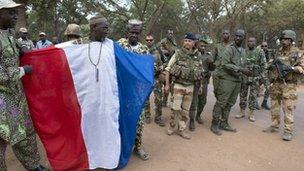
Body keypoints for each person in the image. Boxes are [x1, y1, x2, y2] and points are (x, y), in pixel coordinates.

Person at [0, 1, 49, 170]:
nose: (16, 16)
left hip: (16, 95)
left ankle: (33, 166)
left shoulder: (9, 34)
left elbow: (16, 54)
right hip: (2, 99)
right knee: (2, 137)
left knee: (25, 133)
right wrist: (23, 70)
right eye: (11, 13)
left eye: (16, 13)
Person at [263, 30, 304, 141]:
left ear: (291, 40)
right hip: (276, 83)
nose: (283, 41)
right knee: (274, 105)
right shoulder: (278, 52)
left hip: (289, 85)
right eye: (282, 39)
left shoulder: (298, 53)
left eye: (285, 39)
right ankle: (274, 125)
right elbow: (271, 62)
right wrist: (270, 66)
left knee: (288, 108)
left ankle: (288, 131)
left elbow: (302, 68)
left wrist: (291, 68)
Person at [118, 19, 150, 160]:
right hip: (122, 90)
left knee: (138, 119)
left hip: (138, 92)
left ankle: (137, 146)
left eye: (137, 33)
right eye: (131, 32)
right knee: (122, 119)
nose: (134, 35)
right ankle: (120, 146)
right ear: (127, 32)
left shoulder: (144, 49)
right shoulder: (119, 46)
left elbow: (148, 69)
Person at [164, 32, 203, 139]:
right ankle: (172, 126)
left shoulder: (198, 55)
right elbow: (167, 69)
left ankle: (182, 129)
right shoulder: (178, 53)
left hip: (190, 87)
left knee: (185, 111)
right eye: (185, 40)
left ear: (194, 42)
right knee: (175, 109)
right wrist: (167, 85)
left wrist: (200, 87)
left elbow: (200, 72)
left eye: (189, 41)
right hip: (178, 85)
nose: (187, 43)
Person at [210, 29, 250, 135]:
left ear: (243, 38)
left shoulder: (243, 51)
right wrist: (241, 69)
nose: (237, 38)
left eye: (240, 36)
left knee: (230, 103)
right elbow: (224, 64)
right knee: (221, 102)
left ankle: (224, 123)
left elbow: (243, 65)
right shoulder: (230, 49)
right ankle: (214, 124)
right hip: (227, 79)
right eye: (236, 36)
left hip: (237, 81)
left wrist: (246, 71)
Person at [235, 37, 267, 122]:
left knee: (253, 96)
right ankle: (242, 111)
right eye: (249, 41)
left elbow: (264, 65)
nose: (250, 43)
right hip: (244, 77)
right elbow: (240, 63)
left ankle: (251, 113)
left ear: (255, 42)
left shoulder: (260, 52)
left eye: (252, 41)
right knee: (242, 95)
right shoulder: (244, 51)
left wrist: (261, 78)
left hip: (255, 78)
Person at [188, 35, 212, 131]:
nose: (203, 48)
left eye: (204, 46)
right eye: (201, 46)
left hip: (204, 81)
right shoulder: (193, 54)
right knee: (194, 101)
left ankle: (198, 115)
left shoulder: (208, 55)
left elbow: (212, 68)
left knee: (203, 101)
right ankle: (192, 120)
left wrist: (212, 63)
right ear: (197, 45)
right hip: (195, 81)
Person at [145, 34, 165, 126]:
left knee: (159, 99)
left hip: (157, 78)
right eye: (147, 40)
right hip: (146, 79)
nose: (149, 41)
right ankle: (147, 116)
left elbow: (165, 61)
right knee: (146, 99)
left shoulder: (159, 50)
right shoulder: (143, 51)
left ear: (153, 40)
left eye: (151, 40)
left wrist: (162, 69)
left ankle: (158, 117)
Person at [157, 29, 177, 106]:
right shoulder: (163, 42)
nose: (170, 35)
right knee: (164, 83)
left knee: (169, 84)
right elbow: (161, 52)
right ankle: (162, 102)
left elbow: (175, 52)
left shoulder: (174, 42)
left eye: (171, 33)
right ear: (166, 34)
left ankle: (166, 101)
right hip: (163, 65)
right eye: (169, 33)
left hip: (171, 66)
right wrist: (167, 52)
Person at [259, 41, 272, 110]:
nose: (264, 47)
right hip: (258, 74)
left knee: (268, 88)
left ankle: (264, 102)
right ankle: (254, 102)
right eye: (262, 46)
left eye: (265, 46)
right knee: (254, 89)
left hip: (266, 75)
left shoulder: (269, 53)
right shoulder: (258, 53)